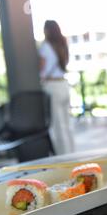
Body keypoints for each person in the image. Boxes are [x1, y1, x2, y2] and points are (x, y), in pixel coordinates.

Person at [39, 20, 75, 155]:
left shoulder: (45, 46)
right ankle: (72, 154)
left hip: (52, 86)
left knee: (58, 126)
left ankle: (64, 157)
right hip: (64, 85)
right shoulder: (63, 44)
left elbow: (42, 68)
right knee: (67, 124)